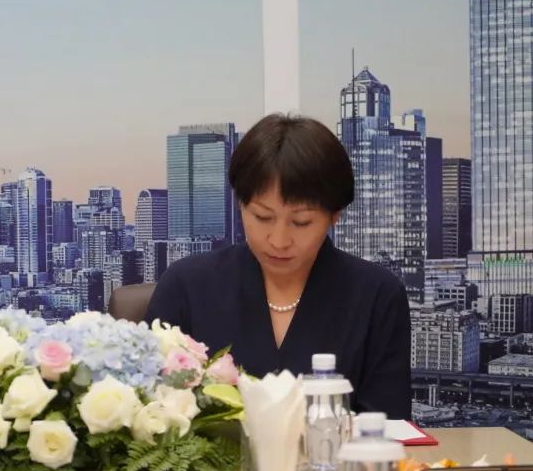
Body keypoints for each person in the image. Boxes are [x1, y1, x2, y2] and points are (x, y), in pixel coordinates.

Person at [145, 113, 412, 419]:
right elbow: (151, 415)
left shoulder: (377, 296)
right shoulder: (186, 286)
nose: (279, 240)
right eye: (262, 217)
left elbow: (388, 427)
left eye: (301, 222)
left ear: (334, 215)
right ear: (241, 204)